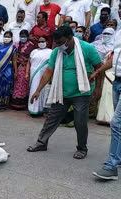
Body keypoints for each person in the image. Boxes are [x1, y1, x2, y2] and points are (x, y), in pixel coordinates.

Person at [27, 26, 102, 160]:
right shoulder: (56, 52)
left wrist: (98, 89)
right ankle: (41, 143)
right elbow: (49, 71)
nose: (58, 45)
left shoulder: (87, 48)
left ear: (70, 38)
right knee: (51, 118)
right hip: (61, 91)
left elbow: (99, 67)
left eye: (61, 42)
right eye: (56, 43)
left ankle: (82, 148)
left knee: (80, 122)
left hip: (82, 93)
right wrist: (38, 90)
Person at [91, 28, 121, 180]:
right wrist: (98, 71)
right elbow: (114, 59)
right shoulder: (119, 33)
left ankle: (112, 166)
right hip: (117, 82)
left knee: (116, 123)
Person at [0, 31, 17, 111]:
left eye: (8, 37)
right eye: (5, 36)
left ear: (11, 38)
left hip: (7, 70)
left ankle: (2, 105)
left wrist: (16, 71)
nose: (6, 38)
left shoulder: (13, 48)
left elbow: (14, 60)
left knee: (4, 87)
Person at [92, 28, 115, 124]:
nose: (106, 35)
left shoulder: (115, 48)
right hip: (103, 73)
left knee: (111, 97)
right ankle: (101, 117)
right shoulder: (96, 44)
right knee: (103, 96)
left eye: (108, 34)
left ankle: (111, 118)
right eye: (104, 33)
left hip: (113, 74)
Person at [27, 36, 52, 116]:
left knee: (42, 91)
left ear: (47, 42)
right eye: (39, 41)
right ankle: (32, 108)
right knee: (33, 90)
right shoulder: (34, 51)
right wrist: (27, 73)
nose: (41, 43)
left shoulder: (50, 52)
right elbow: (29, 62)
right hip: (33, 74)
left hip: (43, 74)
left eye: (43, 41)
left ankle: (40, 109)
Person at [11, 30, 35, 110]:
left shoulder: (31, 45)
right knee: (14, 83)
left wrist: (22, 61)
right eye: (21, 36)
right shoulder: (16, 44)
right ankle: (13, 101)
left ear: (27, 37)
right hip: (14, 65)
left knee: (21, 84)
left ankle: (21, 103)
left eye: (24, 36)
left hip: (24, 66)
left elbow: (30, 57)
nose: (23, 38)